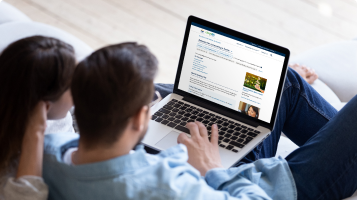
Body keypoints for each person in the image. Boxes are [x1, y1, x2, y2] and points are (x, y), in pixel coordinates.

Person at [43, 42, 357, 200]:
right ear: (141, 117)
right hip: (284, 184)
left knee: (283, 84)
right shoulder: (168, 188)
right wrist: (210, 169)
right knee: (287, 86)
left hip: (216, 162)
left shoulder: (49, 154)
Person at [0, 36, 76, 200]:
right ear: (45, 104)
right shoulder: (8, 164)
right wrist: (35, 133)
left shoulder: (61, 119)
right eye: (72, 86)